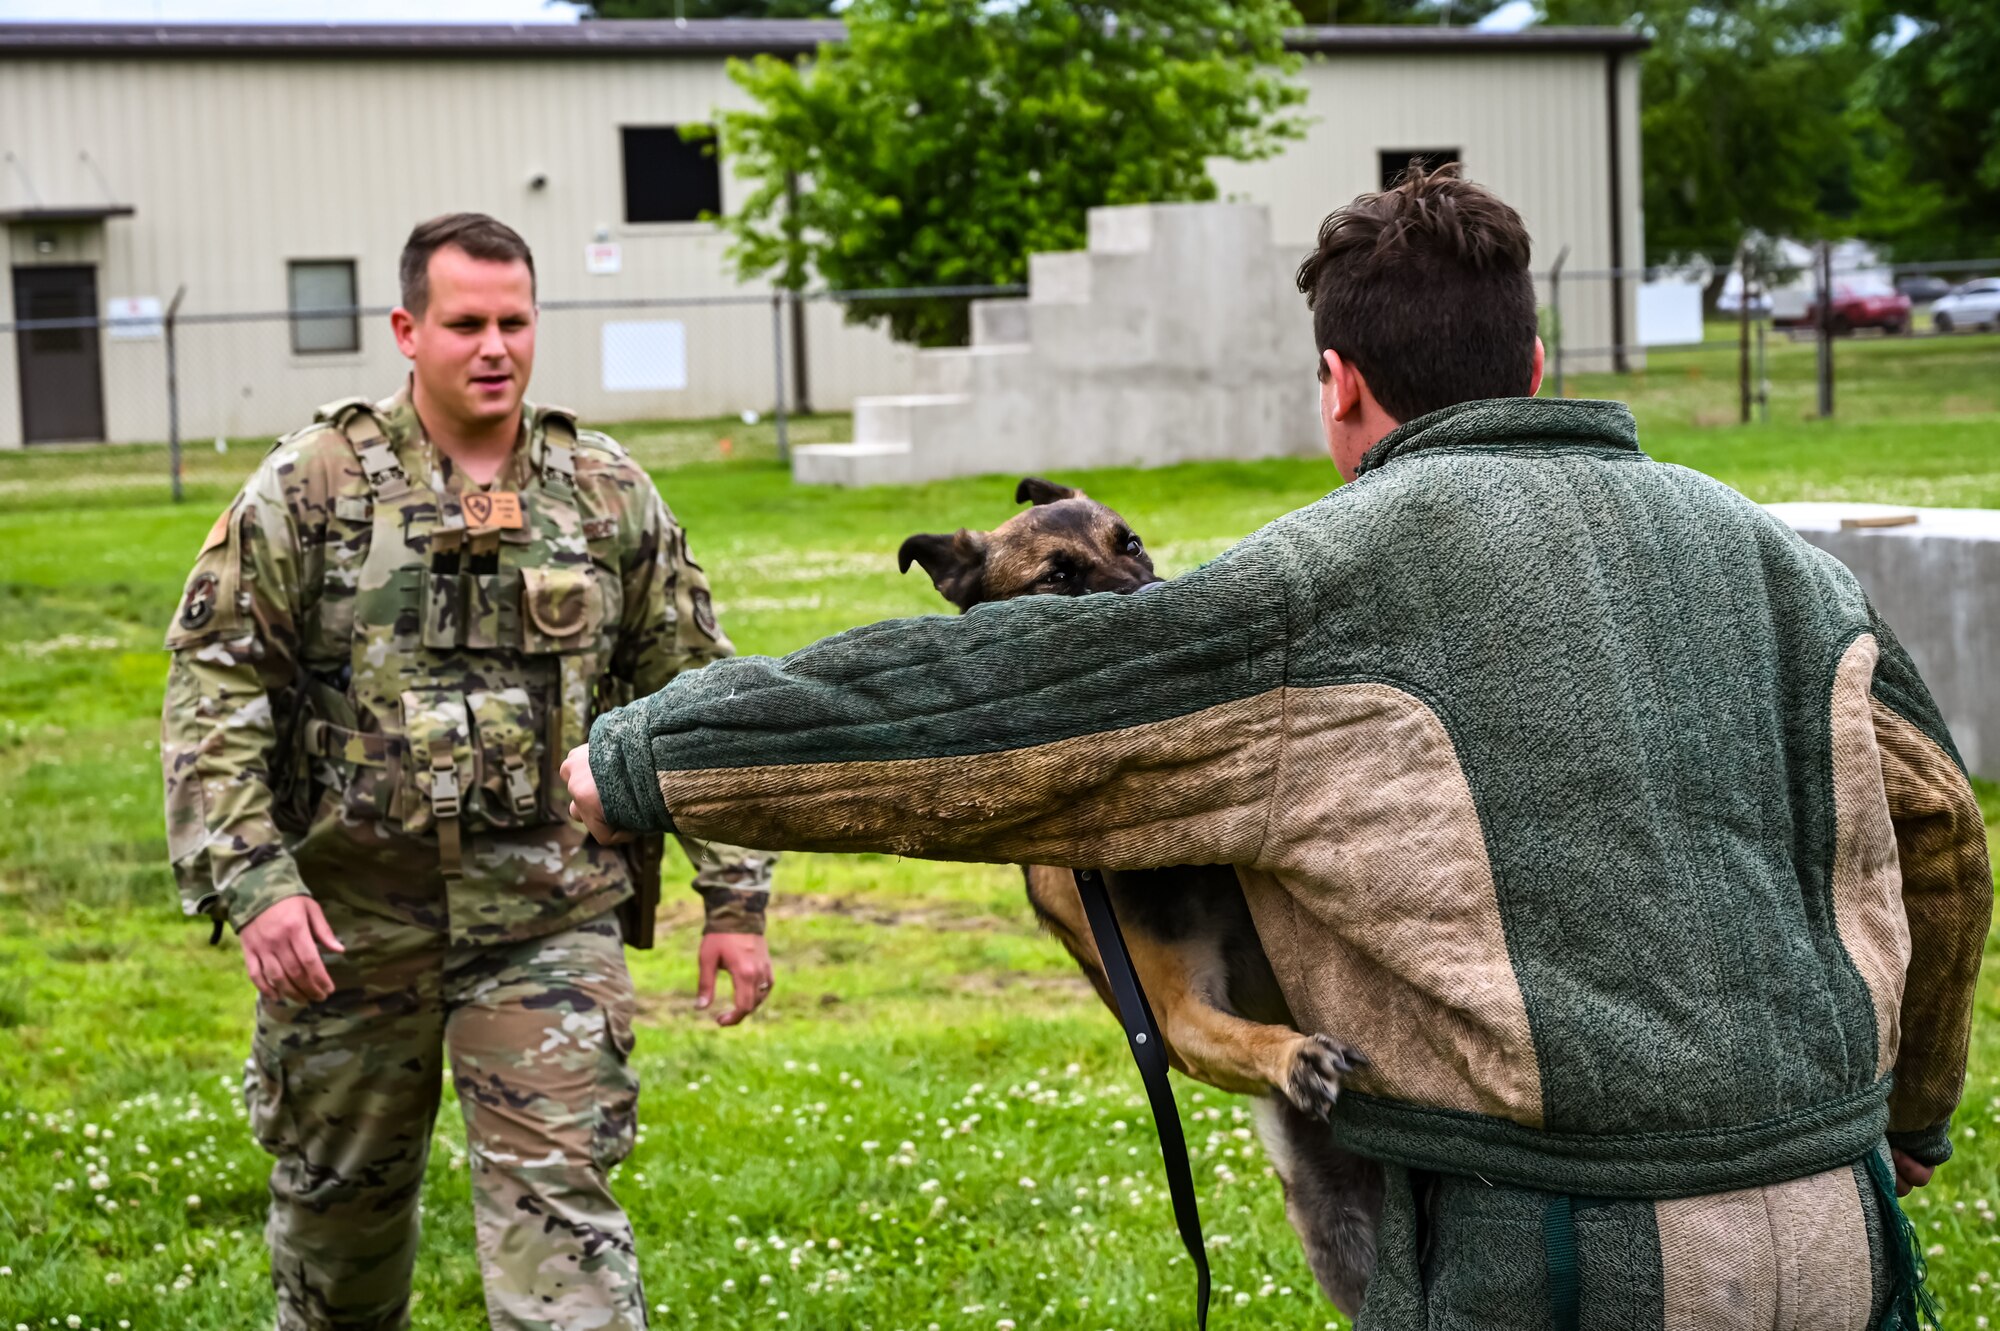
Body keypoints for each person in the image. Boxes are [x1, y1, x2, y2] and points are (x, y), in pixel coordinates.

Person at [565, 167, 1991, 1328]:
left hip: (1550, 1251)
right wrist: (1916, 1107)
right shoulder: (1784, 563)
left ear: (1339, 382)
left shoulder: (1321, 582)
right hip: (1837, 1221)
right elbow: (1944, 836)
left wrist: (639, 753)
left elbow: (964, 709)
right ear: (1538, 361)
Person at [161, 212, 777, 1331]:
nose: (493, 346)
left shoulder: (601, 491)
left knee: (563, 1230)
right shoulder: (314, 485)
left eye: (514, 321)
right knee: (336, 1231)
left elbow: (694, 692)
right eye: (464, 323)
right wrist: (255, 880)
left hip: (548, 916)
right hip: (348, 922)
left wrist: (733, 896)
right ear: (407, 328)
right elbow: (215, 684)